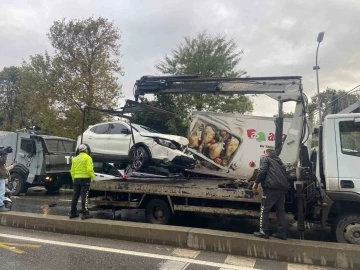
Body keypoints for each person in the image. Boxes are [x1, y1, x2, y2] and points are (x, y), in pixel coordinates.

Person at [252, 148, 289, 240]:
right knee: (281, 211)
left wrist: (256, 183)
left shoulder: (266, 159)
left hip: (270, 188)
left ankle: (264, 232)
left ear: (267, 153)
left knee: (264, 210)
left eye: (264, 153)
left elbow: (262, 171)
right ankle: (282, 233)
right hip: (282, 189)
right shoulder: (281, 163)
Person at [69, 144, 95, 219]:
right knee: (84, 195)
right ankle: (85, 213)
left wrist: (74, 178)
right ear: (86, 150)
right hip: (85, 179)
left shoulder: (75, 159)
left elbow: (72, 171)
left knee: (75, 195)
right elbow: (89, 170)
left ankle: (72, 212)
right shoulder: (88, 158)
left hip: (76, 179)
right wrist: (93, 177)